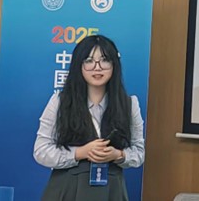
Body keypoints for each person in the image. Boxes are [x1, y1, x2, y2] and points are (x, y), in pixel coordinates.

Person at [33, 35, 145, 201]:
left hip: (111, 191)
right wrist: (80, 152)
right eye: (89, 60)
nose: (97, 67)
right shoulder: (60, 102)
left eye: (104, 60)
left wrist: (118, 154)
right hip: (67, 189)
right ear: (79, 65)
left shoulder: (129, 104)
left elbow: (139, 152)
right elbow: (41, 151)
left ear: (114, 65)